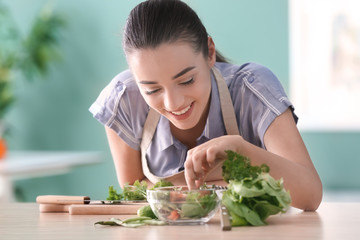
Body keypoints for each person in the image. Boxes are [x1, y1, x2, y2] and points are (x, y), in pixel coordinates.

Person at [89, 0, 322, 211]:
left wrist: (240, 151)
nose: (173, 103)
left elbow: (310, 195)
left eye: (187, 80)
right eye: (152, 90)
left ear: (209, 53)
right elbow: (134, 191)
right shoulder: (123, 99)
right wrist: (224, 184)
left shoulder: (252, 88)